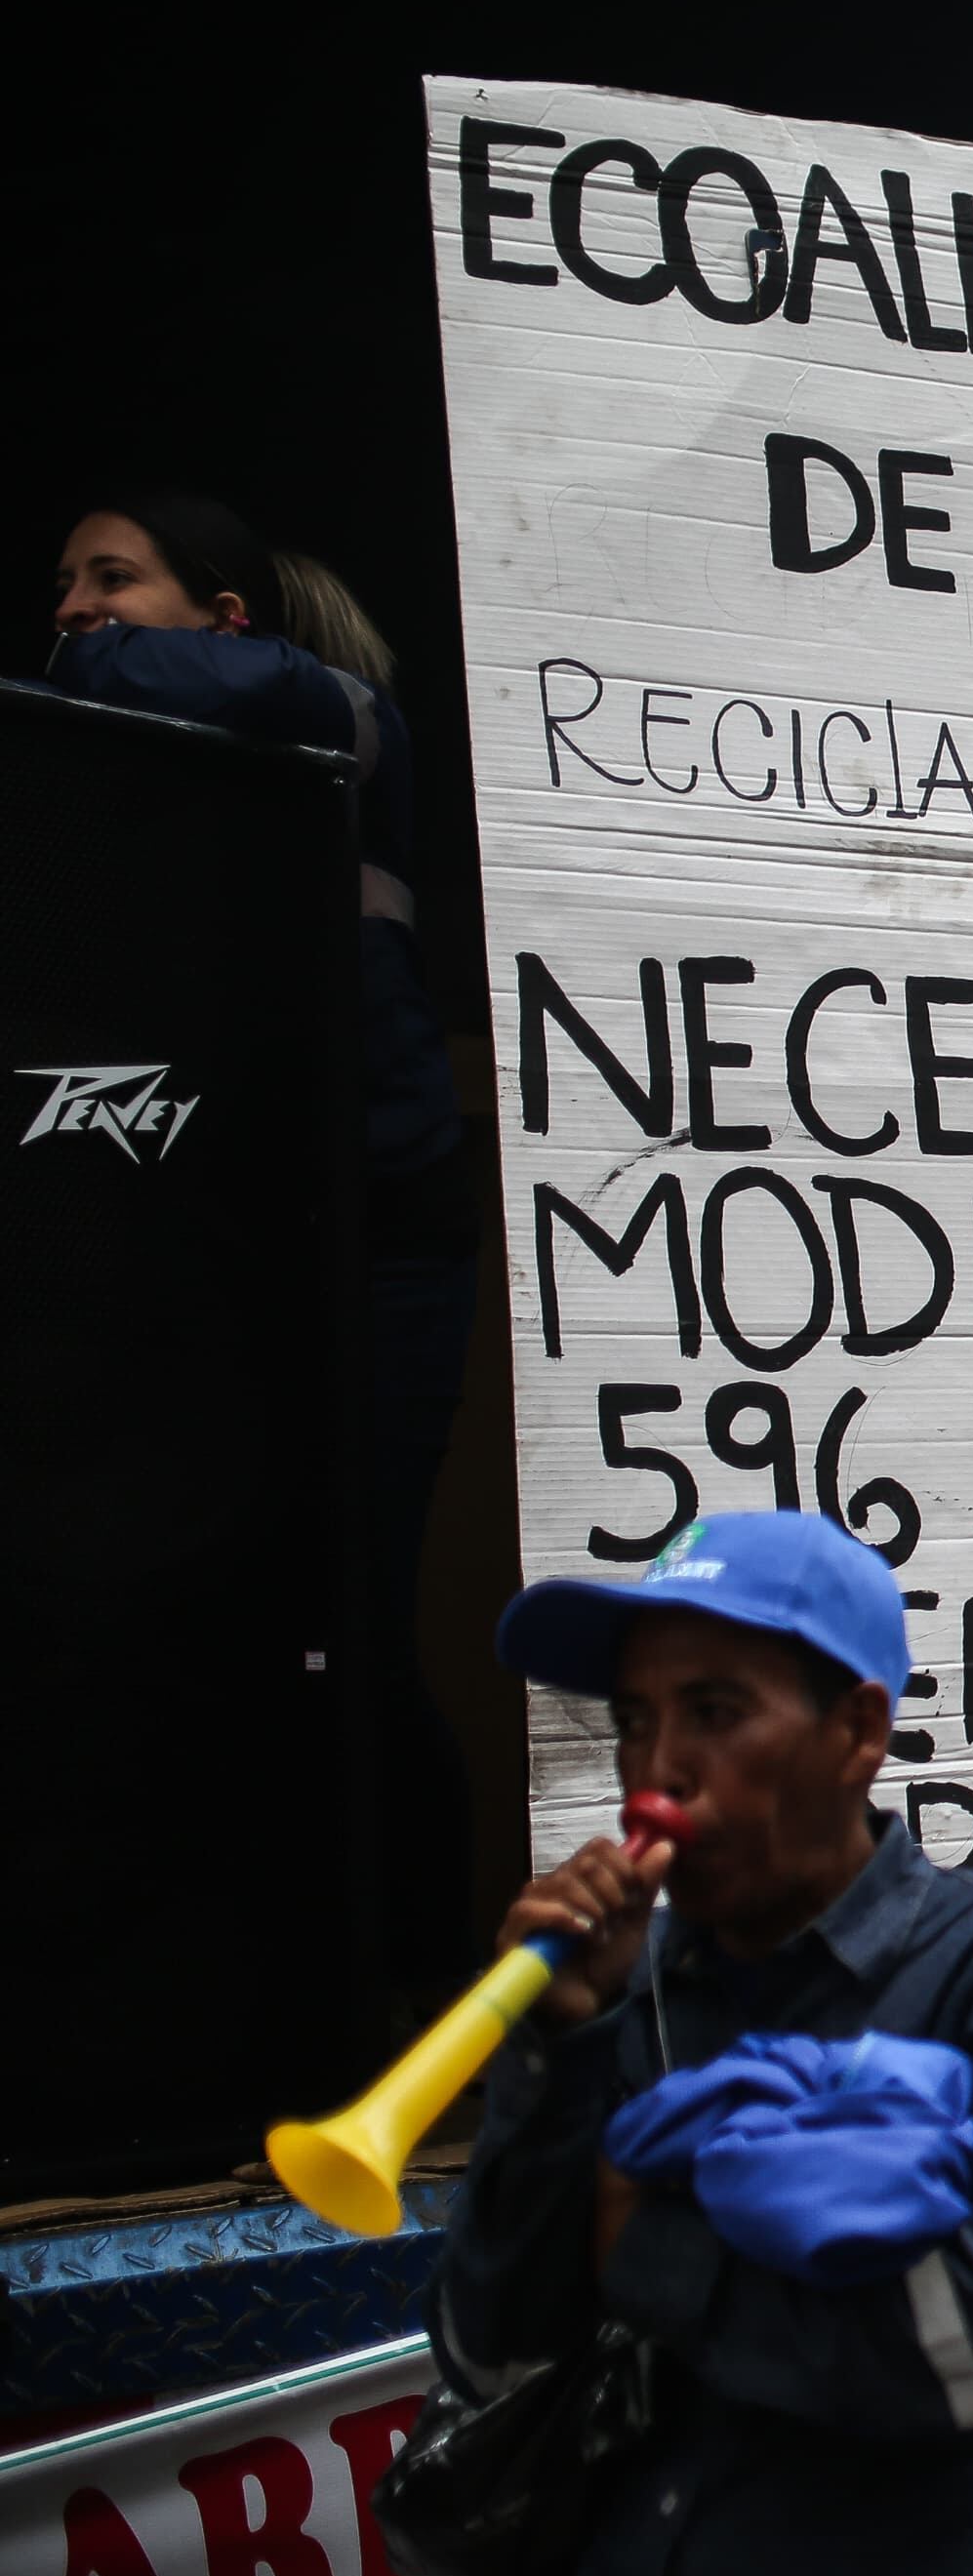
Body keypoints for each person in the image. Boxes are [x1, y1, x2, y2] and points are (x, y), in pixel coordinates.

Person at [434, 1510, 973, 2576]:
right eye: (633, 1723)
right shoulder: (627, 1989)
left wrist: (642, 2240)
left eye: (713, 1713)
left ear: (857, 1732)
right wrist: (554, 2058)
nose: (654, 1774)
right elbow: (490, 2354)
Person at [46, 494, 480, 1967]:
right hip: (232, 1252)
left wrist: (92, 660)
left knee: (346, 1631)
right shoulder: (132, 804)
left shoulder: (331, 714)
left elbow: (137, 677)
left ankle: (422, 1992)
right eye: (64, 586)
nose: (76, 609)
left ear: (226, 615)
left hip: (379, 1238)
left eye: (114, 577)